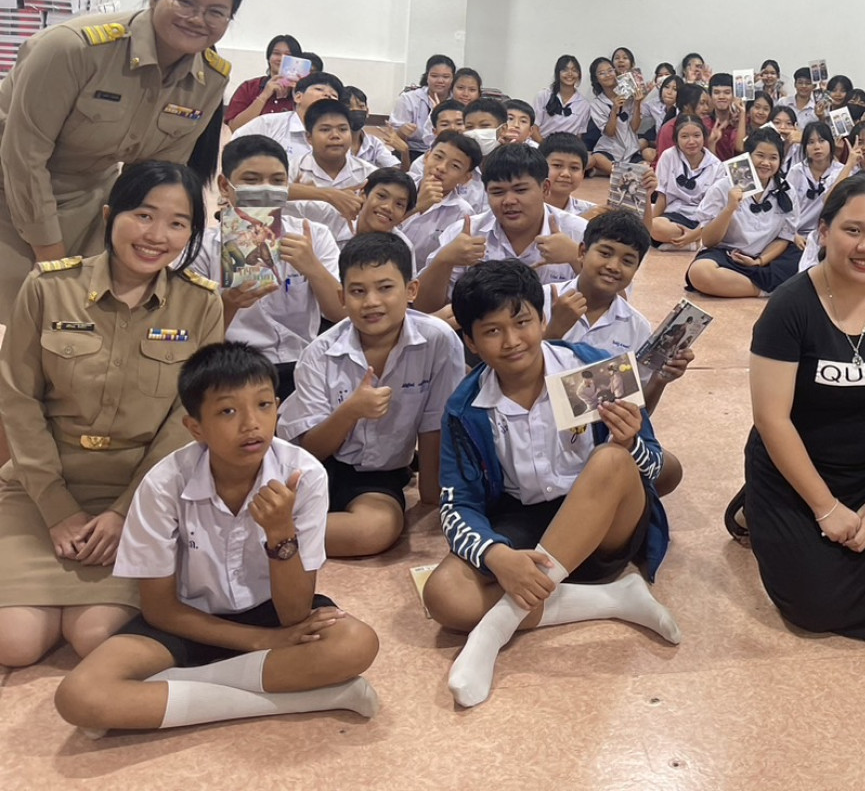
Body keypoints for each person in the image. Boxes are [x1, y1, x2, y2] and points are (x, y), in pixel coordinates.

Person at [52, 342, 380, 733]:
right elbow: (160, 610)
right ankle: (313, 697)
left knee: (356, 643)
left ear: (277, 408)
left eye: (263, 405)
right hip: (188, 620)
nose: (251, 424)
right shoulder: (164, 484)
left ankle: (168, 690)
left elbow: (294, 613)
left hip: (274, 612)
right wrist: (259, 642)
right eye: (228, 411)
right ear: (195, 428)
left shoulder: (303, 474)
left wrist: (280, 533)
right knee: (79, 696)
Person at [424, 261, 678, 708]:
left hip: (603, 526)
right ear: (471, 342)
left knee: (611, 460)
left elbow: (654, 464)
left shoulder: (591, 369)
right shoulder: (467, 407)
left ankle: (497, 626)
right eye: (492, 331)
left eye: (521, 322)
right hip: (526, 528)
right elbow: (456, 504)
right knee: (445, 597)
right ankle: (612, 599)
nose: (512, 341)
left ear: (542, 319)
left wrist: (631, 442)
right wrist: (496, 554)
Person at [0, 161, 223, 668]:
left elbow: (188, 418)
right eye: (143, 215)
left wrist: (126, 512)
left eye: (177, 223)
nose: (156, 235)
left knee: (95, 635)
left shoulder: (200, 304)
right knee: (14, 642)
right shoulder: (48, 288)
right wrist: (57, 509)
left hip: (141, 494)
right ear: (109, 215)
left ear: (192, 232)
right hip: (40, 486)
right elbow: (17, 399)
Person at [737, 174, 865, 649]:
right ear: (824, 231)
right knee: (813, 607)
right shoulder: (790, 306)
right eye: (853, 230)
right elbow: (771, 418)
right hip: (792, 471)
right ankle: (756, 507)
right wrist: (825, 508)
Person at [0, 0, 241, 314]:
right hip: (11, 191)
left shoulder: (210, 78)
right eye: (185, 1)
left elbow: (156, 177)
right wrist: (52, 258)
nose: (197, 19)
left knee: (81, 316)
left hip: (91, 198)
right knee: (22, 310)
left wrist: (140, 246)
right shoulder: (73, 49)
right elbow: (23, 158)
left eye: (216, 12)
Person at [277, 233, 464, 557]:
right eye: (358, 291)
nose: (371, 302)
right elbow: (311, 450)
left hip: (377, 476)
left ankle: (268, 536)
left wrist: (431, 500)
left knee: (375, 530)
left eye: (385, 287)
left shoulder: (438, 341)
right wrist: (350, 411)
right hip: (314, 467)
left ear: (411, 290)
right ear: (342, 297)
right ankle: (265, 533)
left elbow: (435, 426)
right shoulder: (319, 353)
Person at [544, 210, 694, 495]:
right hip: (538, 425)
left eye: (627, 260)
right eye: (605, 253)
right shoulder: (542, 300)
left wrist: (660, 380)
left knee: (668, 470)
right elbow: (508, 378)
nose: (613, 266)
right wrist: (553, 332)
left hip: (598, 434)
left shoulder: (636, 326)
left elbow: (638, 410)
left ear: (636, 270)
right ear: (582, 252)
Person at [194, 136, 343, 401]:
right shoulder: (202, 247)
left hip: (302, 364)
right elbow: (194, 335)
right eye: (251, 180)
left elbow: (340, 312)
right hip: (230, 368)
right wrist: (229, 303)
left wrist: (312, 267)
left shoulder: (313, 235)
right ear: (225, 186)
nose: (265, 190)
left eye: (276, 181)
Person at [414, 145, 588, 312]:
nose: (509, 201)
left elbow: (603, 303)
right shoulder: (465, 233)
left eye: (520, 190)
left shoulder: (579, 233)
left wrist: (576, 258)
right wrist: (443, 260)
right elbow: (424, 308)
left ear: (545, 188)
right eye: (497, 192)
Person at [686, 129, 801, 299]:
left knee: (807, 260)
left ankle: (744, 285)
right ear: (747, 156)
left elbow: (784, 238)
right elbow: (709, 241)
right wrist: (729, 208)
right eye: (760, 156)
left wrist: (759, 261)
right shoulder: (723, 187)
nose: (766, 163)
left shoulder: (787, 190)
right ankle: (763, 290)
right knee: (700, 272)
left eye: (773, 158)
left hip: (767, 258)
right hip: (730, 256)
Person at [396, 131, 483, 268]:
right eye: (438, 157)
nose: (441, 168)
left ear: (465, 178)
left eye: (455, 166)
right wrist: (416, 207)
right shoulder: (396, 186)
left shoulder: (462, 213)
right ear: (427, 156)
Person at [649, 115, 727, 248]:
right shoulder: (668, 156)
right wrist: (649, 227)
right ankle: (690, 243)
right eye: (684, 136)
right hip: (673, 215)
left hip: (702, 221)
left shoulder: (717, 166)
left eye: (697, 135)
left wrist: (695, 234)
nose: (691, 141)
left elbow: (716, 209)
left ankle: (691, 240)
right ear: (676, 139)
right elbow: (662, 197)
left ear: (704, 137)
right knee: (654, 226)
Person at [223, 34, 302, 128]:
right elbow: (234, 127)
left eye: (288, 55)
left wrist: (298, 93)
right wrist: (264, 96)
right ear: (268, 58)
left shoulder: (304, 91)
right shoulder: (249, 87)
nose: (281, 59)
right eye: (276, 53)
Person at [587, 56, 647, 177]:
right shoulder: (596, 104)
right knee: (597, 158)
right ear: (596, 79)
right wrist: (614, 110)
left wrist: (637, 103)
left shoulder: (629, 96)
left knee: (645, 168)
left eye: (610, 70)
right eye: (602, 73)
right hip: (609, 149)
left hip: (630, 148)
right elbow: (609, 133)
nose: (608, 75)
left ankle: (608, 172)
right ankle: (627, 174)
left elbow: (634, 128)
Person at [388, 54, 456, 158]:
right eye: (434, 76)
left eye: (446, 77)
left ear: (453, 78)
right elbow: (393, 135)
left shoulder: (457, 101)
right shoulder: (409, 98)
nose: (440, 81)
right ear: (427, 77)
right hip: (411, 151)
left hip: (448, 152)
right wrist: (402, 131)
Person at [788, 120, 844, 242]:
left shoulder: (842, 171)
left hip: (827, 236)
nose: (817, 147)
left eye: (822, 140)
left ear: (831, 143)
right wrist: (793, 235)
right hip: (796, 235)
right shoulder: (796, 171)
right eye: (811, 142)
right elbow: (785, 209)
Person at [541, 133, 600, 217]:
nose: (566, 174)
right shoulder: (525, 209)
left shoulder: (591, 211)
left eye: (574, 168)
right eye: (557, 165)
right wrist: (581, 221)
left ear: (583, 173)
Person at [535, 55, 589, 139]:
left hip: (568, 146)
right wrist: (544, 145)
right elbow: (534, 127)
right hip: (542, 143)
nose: (570, 74)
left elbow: (579, 135)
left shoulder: (584, 104)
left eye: (574, 70)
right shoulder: (544, 95)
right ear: (557, 73)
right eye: (565, 70)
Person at [705, 73, 745, 162]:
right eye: (716, 93)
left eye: (727, 93)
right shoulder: (704, 124)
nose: (721, 97)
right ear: (710, 96)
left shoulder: (744, 122)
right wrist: (711, 143)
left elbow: (740, 148)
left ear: (734, 96)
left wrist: (742, 114)